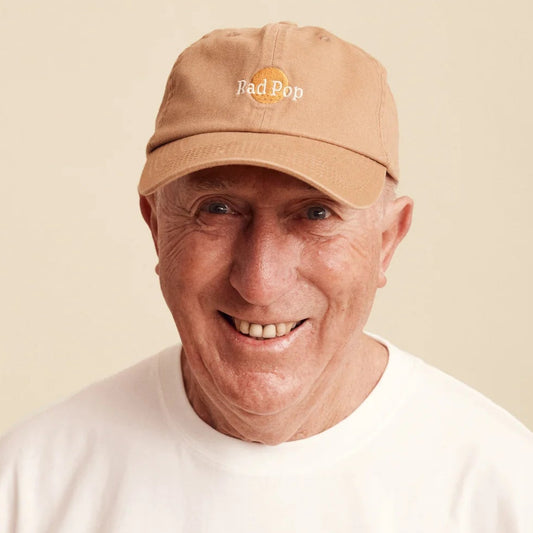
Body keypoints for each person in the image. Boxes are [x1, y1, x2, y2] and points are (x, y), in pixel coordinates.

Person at [1, 21, 532, 532]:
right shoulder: (29, 486)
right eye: (217, 209)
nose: (259, 283)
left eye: (316, 214)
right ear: (156, 226)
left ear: (388, 239)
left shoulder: (504, 490)